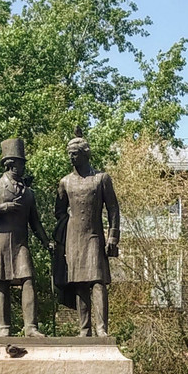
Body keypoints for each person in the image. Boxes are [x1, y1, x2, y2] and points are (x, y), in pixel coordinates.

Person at [0, 138, 52, 337]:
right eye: (21, 163)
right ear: (11, 164)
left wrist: (46, 242)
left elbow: (35, 222)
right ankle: (4, 329)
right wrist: (3, 207)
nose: (23, 167)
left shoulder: (28, 193)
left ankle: (31, 328)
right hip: (1, 242)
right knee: (1, 282)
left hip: (21, 243)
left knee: (28, 279)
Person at [53, 133, 120, 337]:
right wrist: (64, 233)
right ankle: (84, 329)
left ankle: (101, 328)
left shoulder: (101, 179)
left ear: (84, 154)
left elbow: (113, 209)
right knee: (79, 283)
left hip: (94, 235)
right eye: (69, 154)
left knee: (98, 281)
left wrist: (113, 237)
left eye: (74, 154)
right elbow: (59, 211)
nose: (71, 158)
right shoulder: (65, 182)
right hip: (74, 238)